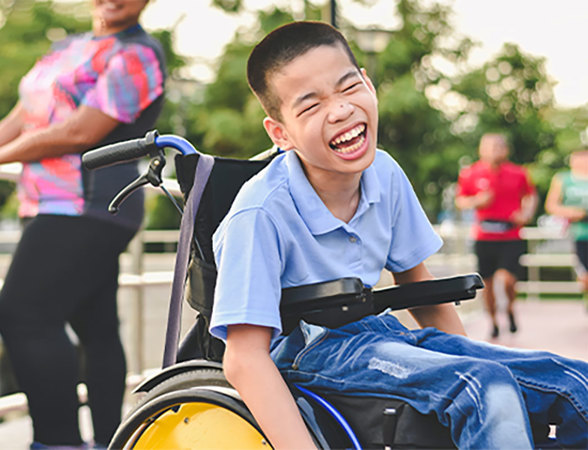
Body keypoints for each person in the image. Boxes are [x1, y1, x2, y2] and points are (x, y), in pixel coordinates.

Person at [208, 21, 588, 449]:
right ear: (280, 133)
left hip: (382, 334)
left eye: (349, 87)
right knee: (485, 389)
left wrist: (462, 357)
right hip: (308, 349)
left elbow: (419, 287)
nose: (340, 110)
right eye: (311, 105)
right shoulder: (260, 211)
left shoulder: (383, 172)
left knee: (574, 383)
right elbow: (243, 358)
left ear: (368, 84)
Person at [0, 0, 164, 448]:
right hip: (50, 201)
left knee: (22, 315)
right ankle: (112, 440)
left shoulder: (138, 54)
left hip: (92, 202)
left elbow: (80, 132)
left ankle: (58, 441)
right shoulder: (70, 47)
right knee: (96, 325)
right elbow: (21, 114)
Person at [455, 133, 538, 338]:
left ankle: (510, 307)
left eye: (498, 146)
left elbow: (531, 196)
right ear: (481, 149)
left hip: (511, 234)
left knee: (508, 280)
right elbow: (461, 201)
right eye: (489, 147)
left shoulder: (518, 173)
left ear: (505, 149)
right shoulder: (470, 173)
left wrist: (526, 213)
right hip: (484, 235)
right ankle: (493, 321)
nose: (494, 150)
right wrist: (477, 201)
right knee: (488, 283)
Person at [545, 148, 588, 296]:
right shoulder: (563, 179)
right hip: (579, 234)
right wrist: (572, 213)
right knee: (585, 275)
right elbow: (551, 205)